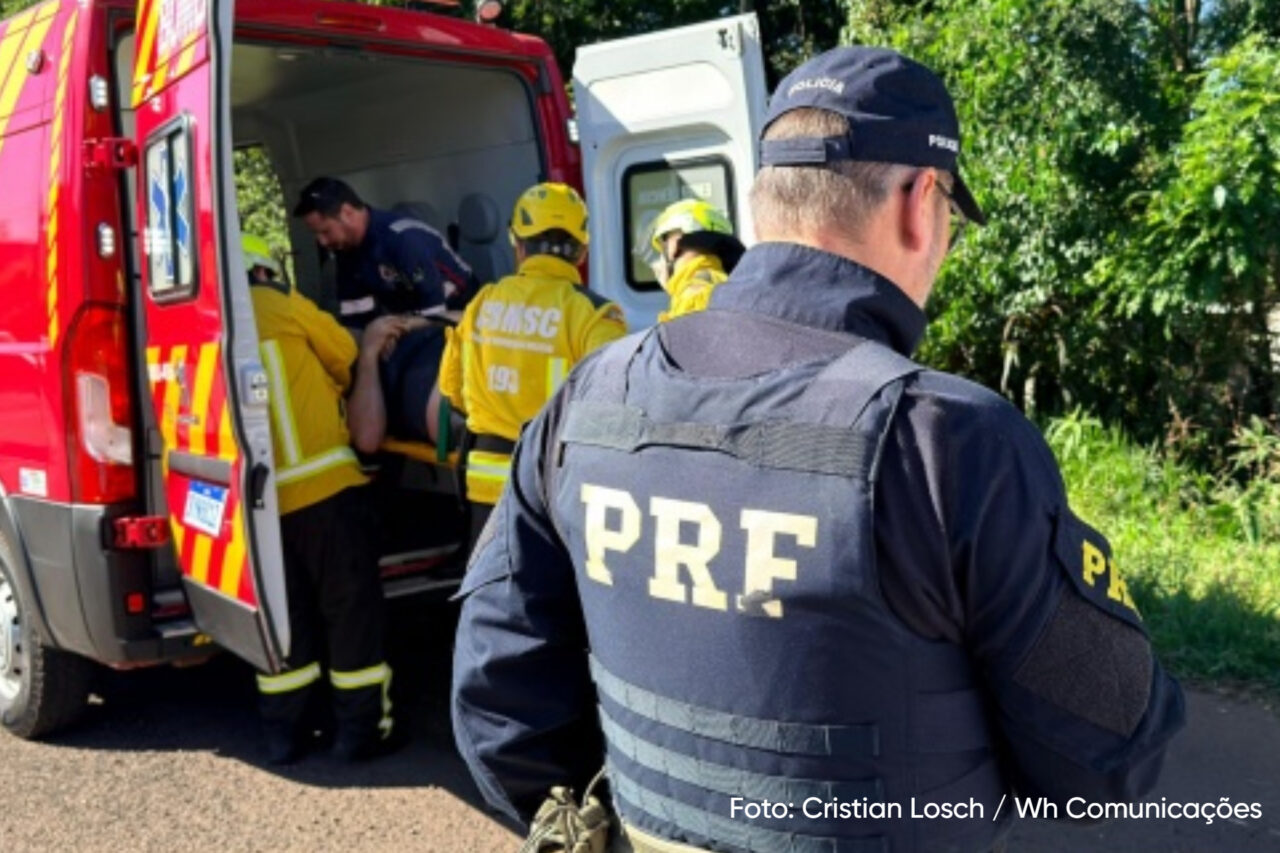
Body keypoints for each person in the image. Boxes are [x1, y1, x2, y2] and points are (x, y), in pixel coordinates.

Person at [449, 46, 1186, 853]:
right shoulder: (948, 441)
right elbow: (1111, 754)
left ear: (770, 203)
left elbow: (497, 698)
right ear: (919, 199)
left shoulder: (585, 402)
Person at [243, 234, 401, 764]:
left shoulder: (211, 322)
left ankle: (284, 733)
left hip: (257, 506)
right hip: (327, 490)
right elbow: (344, 353)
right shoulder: (283, 305)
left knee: (284, 620)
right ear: (265, 272)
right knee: (350, 613)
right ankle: (359, 733)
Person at [438, 182, 627, 545]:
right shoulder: (595, 313)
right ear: (582, 250)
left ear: (518, 245)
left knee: (492, 597)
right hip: (553, 487)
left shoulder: (482, 303)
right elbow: (612, 405)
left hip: (485, 483)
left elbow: (453, 392)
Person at [293, 176, 476, 326]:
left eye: (325, 231)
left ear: (347, 213)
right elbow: (355, 315)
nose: (322, 242)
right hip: (412, 318)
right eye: (316, 235)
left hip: (461, 310)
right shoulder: (346, 250)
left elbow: (434, 311)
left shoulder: (401, 238)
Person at [645, 198, 745, 321]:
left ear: (674, 244)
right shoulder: (726, 284)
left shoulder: (694, 296)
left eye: (663, 247)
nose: (660, 260)